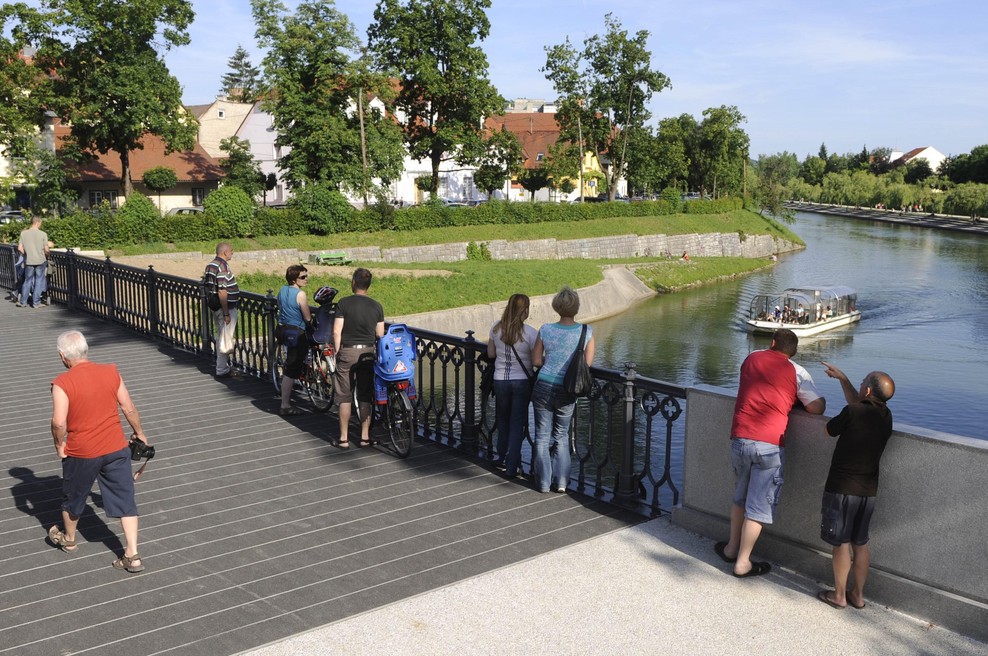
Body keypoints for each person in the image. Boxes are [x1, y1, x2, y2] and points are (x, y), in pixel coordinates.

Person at [714, 328, 825, 577]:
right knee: (758, 506)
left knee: (740, 497)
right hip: (770, 444)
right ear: (793, 352)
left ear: (773, 342)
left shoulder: (751, 358)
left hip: (740, 438)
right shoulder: (797, 371)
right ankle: (743, 563)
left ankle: (731, 548)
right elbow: (817, 407)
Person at [47, 330, 149, 573]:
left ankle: (69, 540)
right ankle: (132, 554)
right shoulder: (111, 371)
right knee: (126, 499)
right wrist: (140, 432)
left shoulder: (62, 383)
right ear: (85, 350)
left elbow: (59, 423)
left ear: (63, 356)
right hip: (115, 446)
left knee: (73, 496)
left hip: (82, 451)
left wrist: (59, 445)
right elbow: (128, 406)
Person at [816, 363, 895, 610]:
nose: (860, 385)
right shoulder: (885, 415)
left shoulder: (853, 412)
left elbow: (828, 431)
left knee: (840, 543)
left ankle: (839, 595)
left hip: (842, 488)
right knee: (860, 544)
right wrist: (843, 378)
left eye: (862, 383)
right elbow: (857, 404)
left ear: (869, 391)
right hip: (868, 491)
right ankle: (857, 596)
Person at [531, 286, 595, 493]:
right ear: (576, 308)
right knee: (561, 435)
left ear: (557, 307)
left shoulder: (545, 329)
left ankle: (543, 483)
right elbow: (588, 365)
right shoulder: (586, 332)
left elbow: (536, 360)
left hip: (543, 386)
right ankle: (561, 483)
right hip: (568, 389)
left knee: (541, 435)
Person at [333, 268, 385, 449]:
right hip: (368, 354)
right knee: (365, 394)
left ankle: (343, 438)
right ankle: (364, 437)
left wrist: (337, 352)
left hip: (347, 352)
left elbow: (336, 330)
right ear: (368, 286)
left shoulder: (343, 303)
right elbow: (380, 333)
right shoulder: (376, 306)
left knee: (345, 396)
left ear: (353, 283)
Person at [487, 293, 538, 478]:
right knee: (517, 423)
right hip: (522, 382)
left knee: (502, 419)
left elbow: (491, 354)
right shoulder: (531, 333)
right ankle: (511, 466)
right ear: (525, 310)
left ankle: (501, 456)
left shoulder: (495, 329)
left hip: (500, 379)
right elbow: (536, 361)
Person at [276, 264, 312, 416]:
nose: (306, 279)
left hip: (282, 329)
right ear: (294, 279)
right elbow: (307, 317)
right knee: (291, 368)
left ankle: (296, 377)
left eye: (306, 276)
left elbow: (280, 306)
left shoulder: (282, 290)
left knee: (291, 361)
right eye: (302, 277)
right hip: (296, 332)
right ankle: (285, 404)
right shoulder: (300, 294)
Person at [203, 242, 240, 378]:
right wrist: (226, 313)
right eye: (231, 250)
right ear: (225, 252)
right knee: (225, 338)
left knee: (222, 336)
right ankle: (222, 369)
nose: (232, 253)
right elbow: (222, 291)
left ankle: (222, 366)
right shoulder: (222, 266)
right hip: (225, 308)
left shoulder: (211, 265)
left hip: (215, 306)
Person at [17, 215, 49, 308]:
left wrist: (27, 254)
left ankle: (23, 302)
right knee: (39, 280)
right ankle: (36, 302)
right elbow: (46, 250)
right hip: (40, 260)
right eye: (40, 223)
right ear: (38, 222)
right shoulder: (43, 234)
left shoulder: (23, 233)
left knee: (27, 280)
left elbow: (19, 248)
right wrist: (47, 255)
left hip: (29, 260)